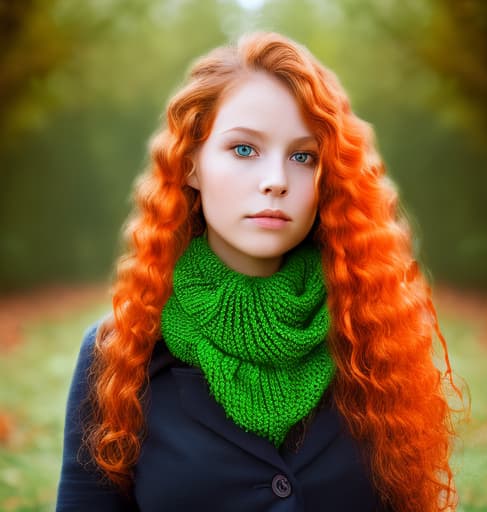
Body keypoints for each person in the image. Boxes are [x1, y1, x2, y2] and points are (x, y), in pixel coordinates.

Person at [56, 32, 461, 511]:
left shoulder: (375, 337)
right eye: (244, 149)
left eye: (303, 156)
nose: (275, 181)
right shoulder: (118, 353)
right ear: (190, 165)